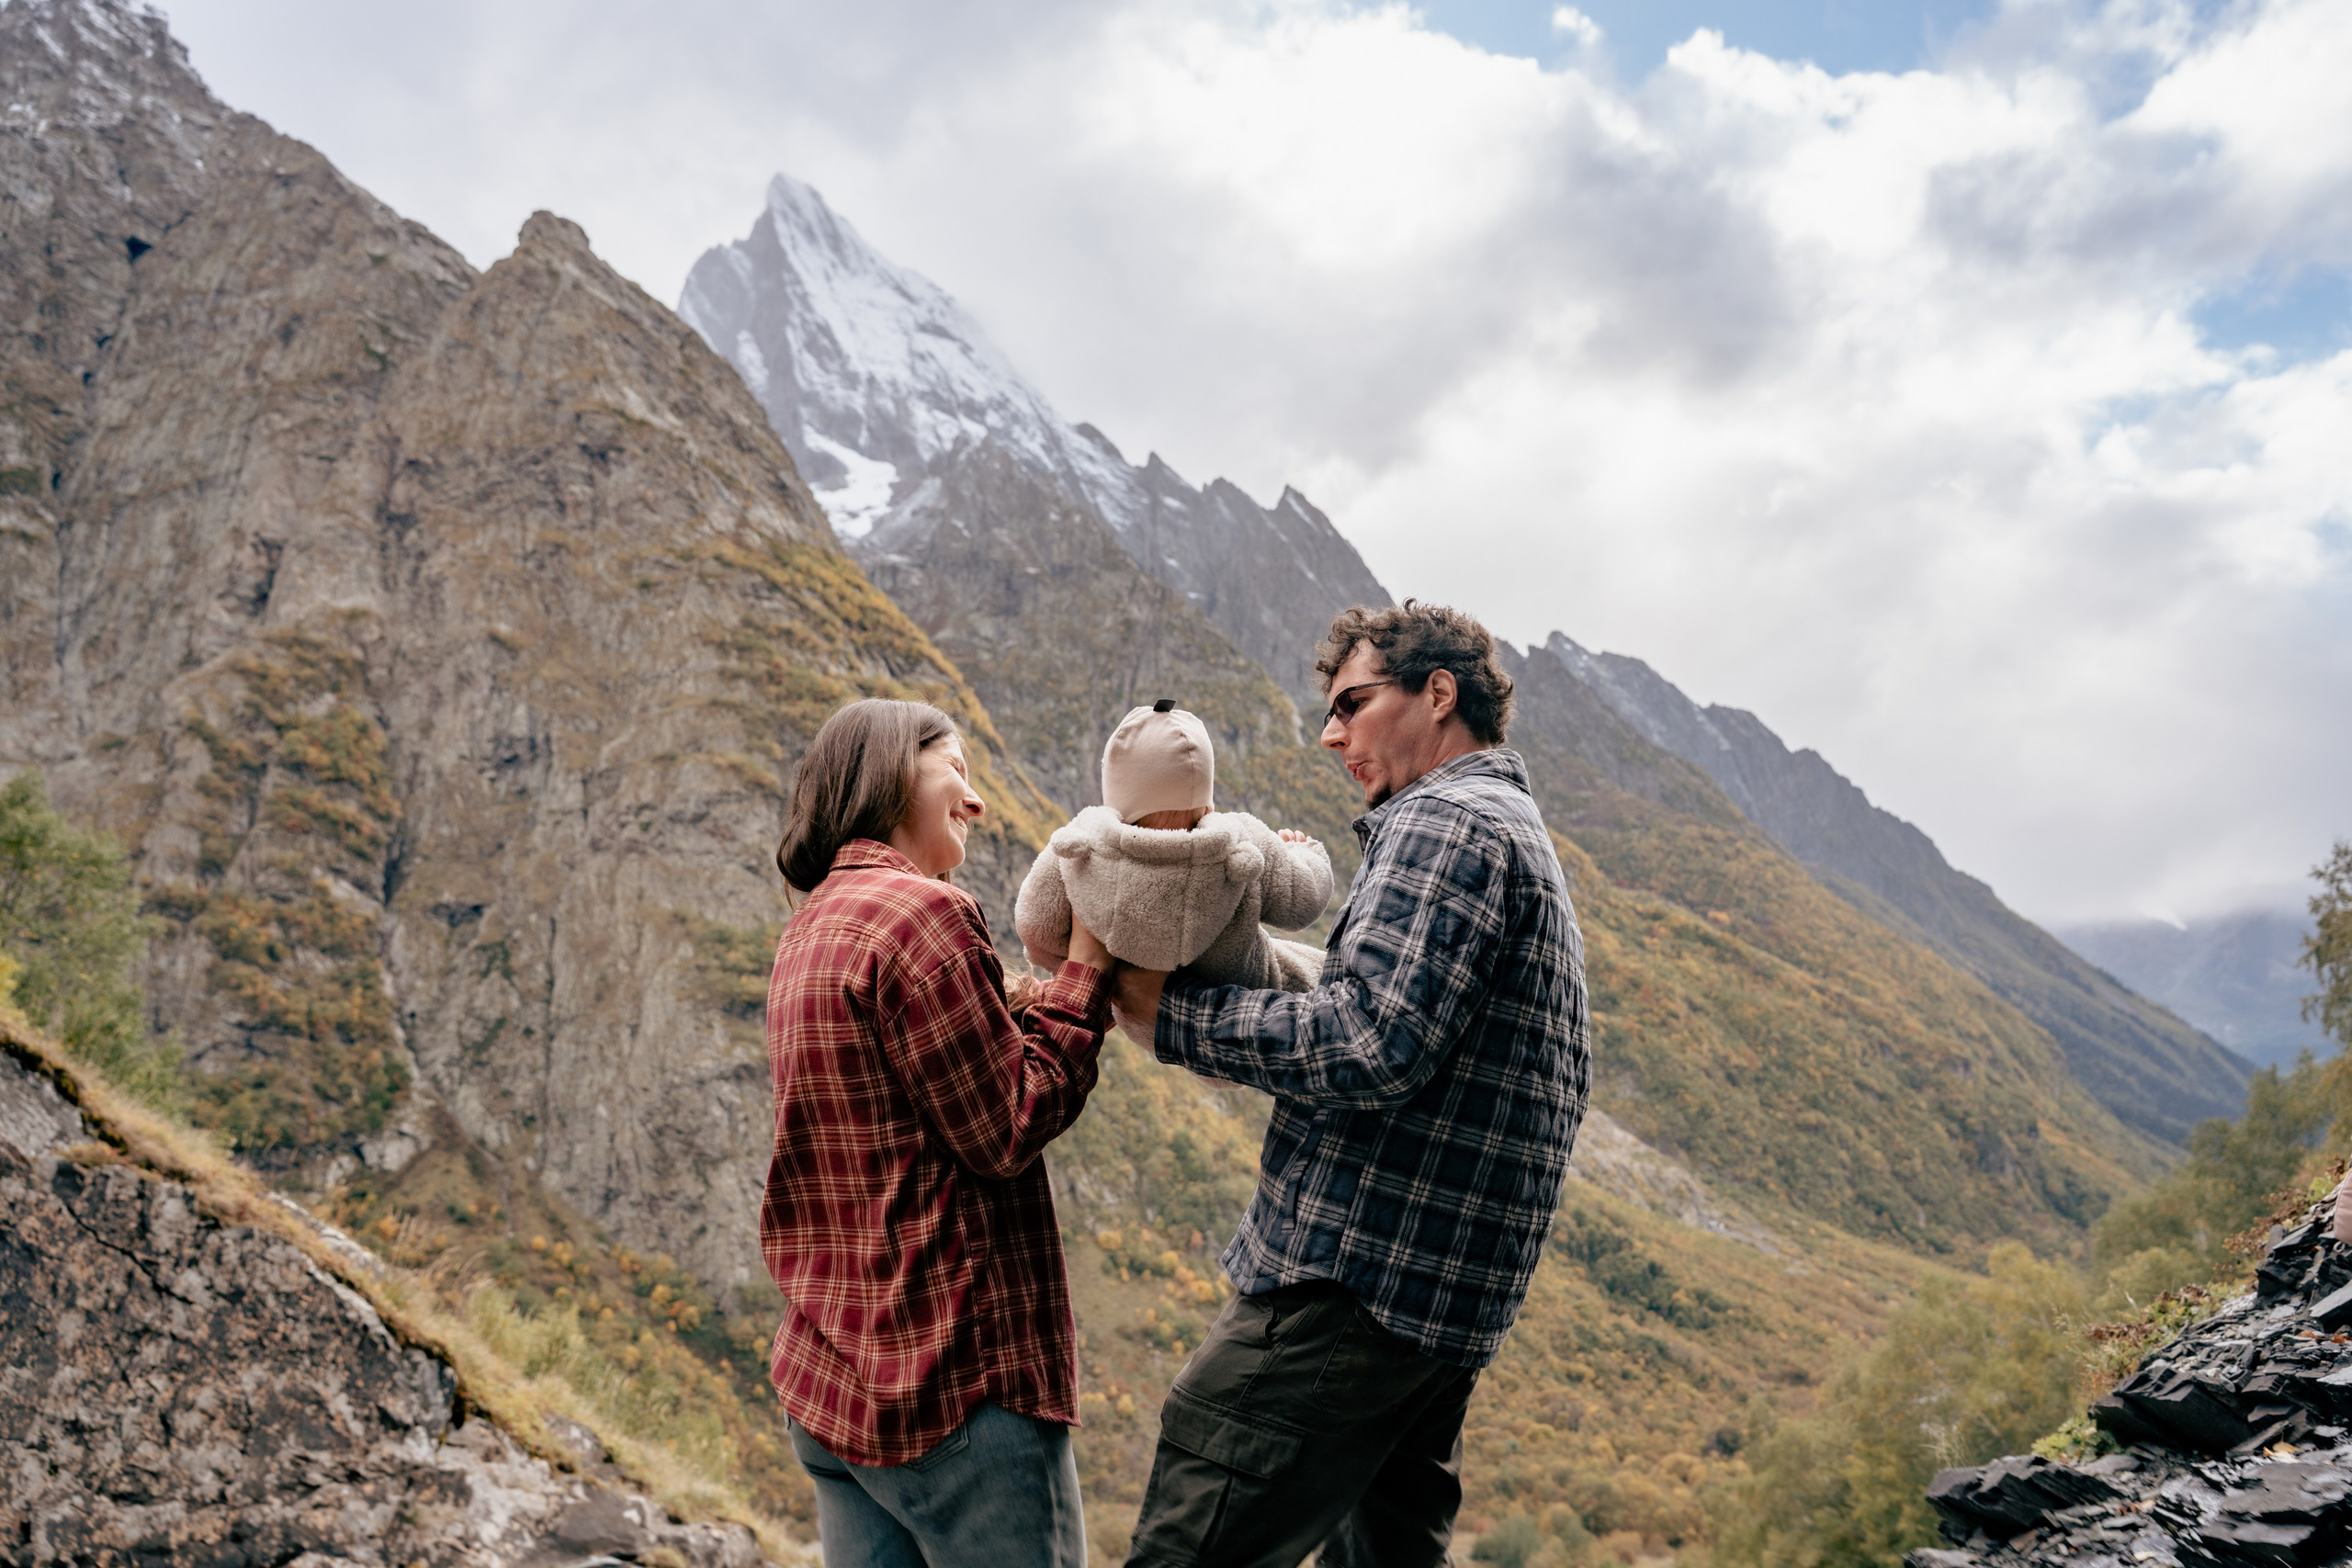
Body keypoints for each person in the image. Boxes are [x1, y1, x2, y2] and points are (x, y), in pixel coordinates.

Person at [1113, 602, 1592, 1568]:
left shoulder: (1444, 822)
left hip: (1353, 1282)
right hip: (1441, 1307)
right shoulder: (1508, 825)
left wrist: (1169, 1016)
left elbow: (1369, 1041)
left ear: (1438, 693)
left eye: (1353, 704)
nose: (1331, 732)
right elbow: (1395, 1008)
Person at [761, 697, 1114, 1567]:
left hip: (834, 1381)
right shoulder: (926, 914)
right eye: (955, 766)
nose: (976, 798)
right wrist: (1088, 973)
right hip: (954, 1393)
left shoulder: (809, 928)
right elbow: (1007, 1126)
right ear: (887, 773)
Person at [1016, 698, 1333, 990]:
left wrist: (1110, 963)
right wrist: (1306, 852)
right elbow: (1303, 904)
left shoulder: (1079, 848)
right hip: (1248, 1003)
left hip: (1146, 1022)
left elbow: (1035, 928)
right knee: (1325, 974)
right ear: (1206, 800)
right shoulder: (1242, 839)